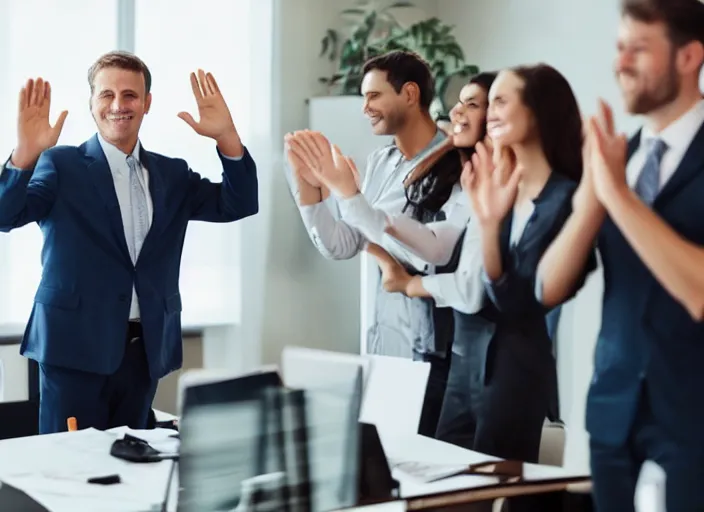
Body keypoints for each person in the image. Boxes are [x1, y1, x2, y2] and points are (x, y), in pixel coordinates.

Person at [0, 51, 259, 434]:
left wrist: (226, 137)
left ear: (147, 103)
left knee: (134, 469)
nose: (119, 105)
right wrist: (25, 154)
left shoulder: (172, 173)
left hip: (144, 351)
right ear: (92, 103)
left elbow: (238, 203)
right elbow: (6, 215)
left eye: (130, 95)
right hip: (73, 351)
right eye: (107, 95)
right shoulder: (61, 164)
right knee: (73, 472)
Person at [536, 0, 704, 509]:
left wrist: (618, 196)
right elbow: (548, 287)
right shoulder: (616, 161)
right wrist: (595, 191)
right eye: (618, 47)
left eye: (639, 48)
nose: (621, 62)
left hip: (694, 424)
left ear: (689, 57)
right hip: (613, 417)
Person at [371, 64, 584, 464]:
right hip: (466, 358)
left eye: (497, 102)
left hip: (512, 368)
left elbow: (503, 293)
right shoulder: (485, 185)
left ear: (536, 113)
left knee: (489, 491)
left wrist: (486, 225)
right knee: (444, 482)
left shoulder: (561, 197)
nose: (482, 114)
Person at [285, 50, 454, 437]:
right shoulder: (382, 161)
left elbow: (428, 253)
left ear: (409, 94)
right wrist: (308, 190)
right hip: (381, 345)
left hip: (428, 349)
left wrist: (349, 197)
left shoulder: (452, 161)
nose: (365, 108)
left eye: (374, 96)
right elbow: (345, 243)